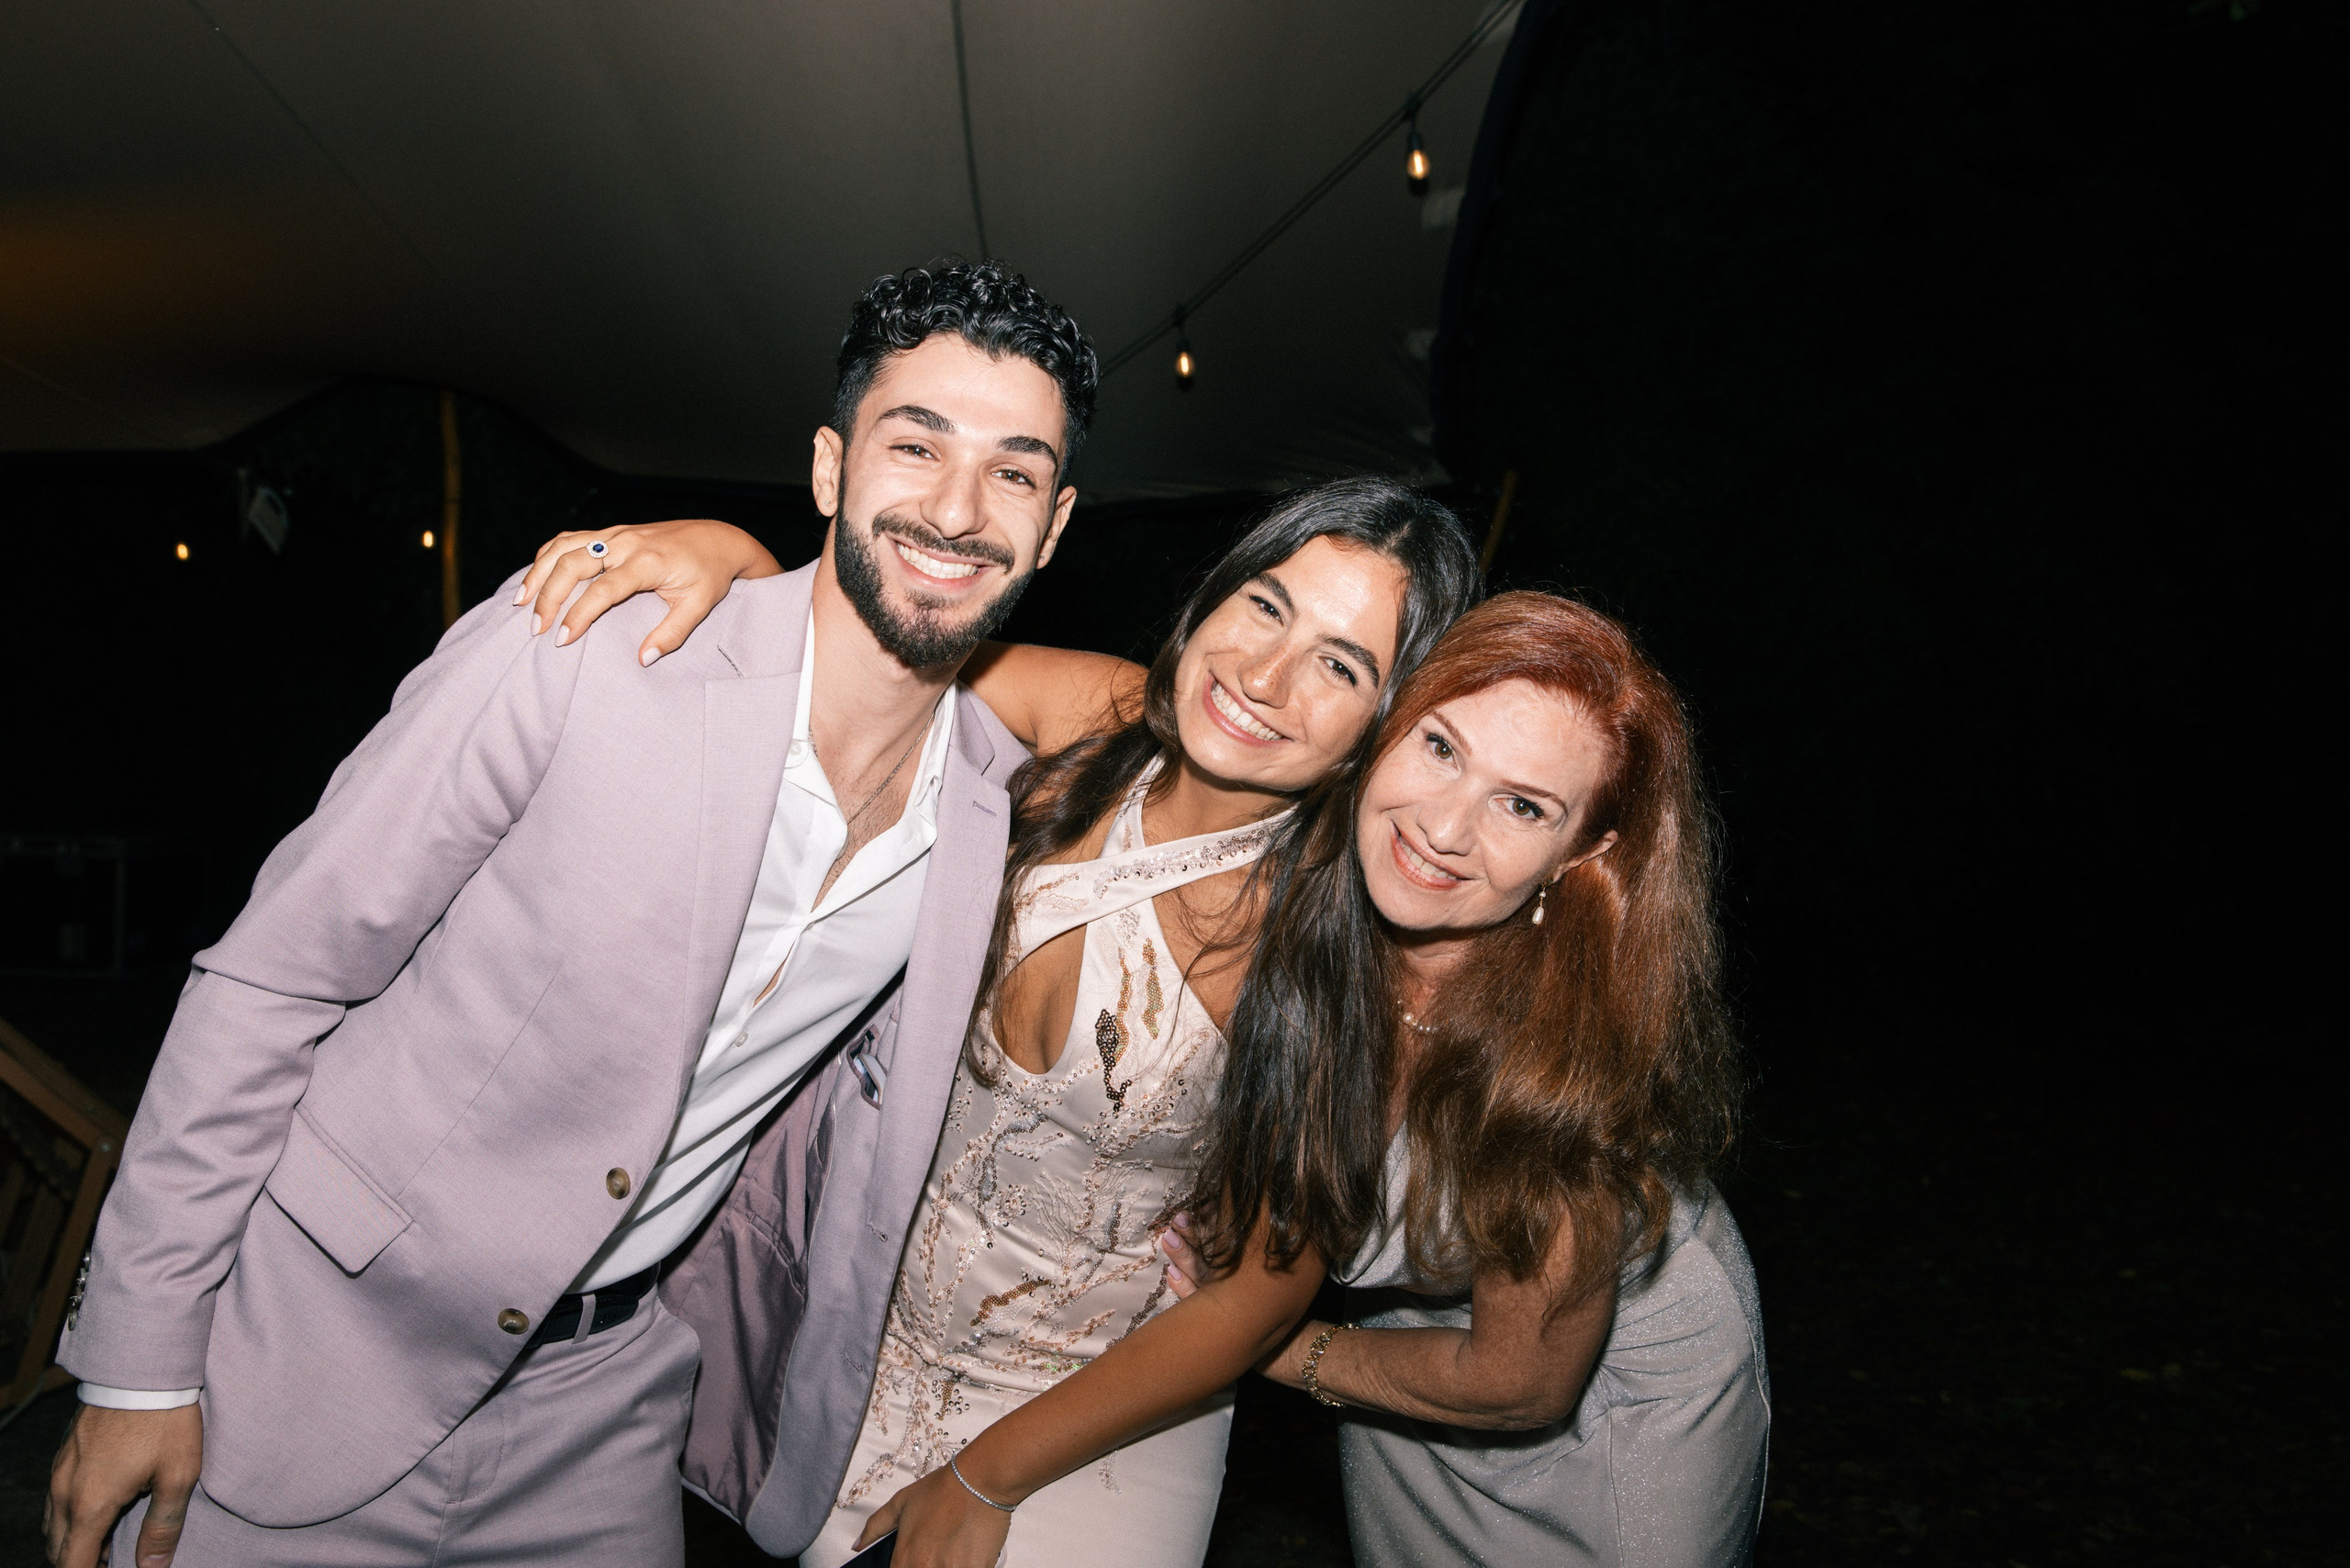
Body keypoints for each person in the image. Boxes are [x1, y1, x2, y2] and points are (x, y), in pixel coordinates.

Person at [44, 261, 1105, 1568]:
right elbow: (275, 979)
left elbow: (1243, 715)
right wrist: (139, 1364)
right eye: (916, 444)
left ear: (1054, 526)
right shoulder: (586, 645)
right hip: (309, 1349)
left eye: (1013, 472)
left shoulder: (995, 819)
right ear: (831, 469)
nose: (956, 508)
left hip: (605, 1415)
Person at [524, 478, 1481, 1567]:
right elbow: (858, 655)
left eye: (1339, 665)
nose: (1265, 676)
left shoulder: (1339, 951)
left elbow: (1262, 1296)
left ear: (1386, 728)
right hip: (847, 1312)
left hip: (1093, 1405)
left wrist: (989, 1474)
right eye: (1267, 606)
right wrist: (730, 551)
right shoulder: (1096, 715)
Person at [1160, 590, 1768, 1566]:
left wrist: (1260, 1342)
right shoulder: (1318, 899)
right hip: (1418, 1335)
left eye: (1523, 805)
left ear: (1582, 853)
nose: (1443, 829)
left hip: (1608, 1406)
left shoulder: (1564, 1058)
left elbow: (1520, 1382)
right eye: (1441, 747)